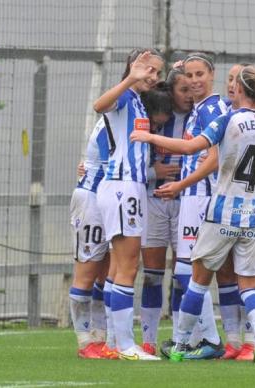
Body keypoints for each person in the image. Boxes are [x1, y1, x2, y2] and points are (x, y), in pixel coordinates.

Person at [131, 64, 255, 364]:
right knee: (250, 287)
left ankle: (179, 345)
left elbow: (191, 147)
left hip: (224, 212)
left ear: (240, 90)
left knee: (197, 280)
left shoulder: (228, 119)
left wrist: (152, 138)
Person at [93, 48, 164, 361]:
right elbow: (100, 105)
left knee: (118, 268)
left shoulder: (137, 100)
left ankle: (113, 341)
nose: (154, 78)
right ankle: (125, 346)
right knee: (128, 266)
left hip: (126, 187)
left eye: (158, 73)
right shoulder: (125, 95)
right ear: (135, 68)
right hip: (123, 188)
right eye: (150, 71)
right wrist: (130, 79)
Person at [156, 53, 227, 360]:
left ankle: (210, 339)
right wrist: (178, 67)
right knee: (192, 271)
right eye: (190, 75)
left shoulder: (212, 108)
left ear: (212, 75)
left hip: (200, 197)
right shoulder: (204, 108)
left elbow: (215, 158)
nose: (196, 80)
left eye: (201, 74)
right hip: (194, 197)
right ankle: (203, 338)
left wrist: (181, 185)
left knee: (188, 271)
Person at [138, 69, 192, 356]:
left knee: (183, 273)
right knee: (152, 274)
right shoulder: (155, 118)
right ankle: (148, 339)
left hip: (186, 203)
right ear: (171, 92)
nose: (190, 94)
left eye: (192, 88)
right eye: (183, 89)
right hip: (154, 200)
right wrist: (153, 172)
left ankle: (179, 339)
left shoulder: (201, 118)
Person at [69, 116, 111, 359]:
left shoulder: (127, 113)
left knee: (106, 273)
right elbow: (110, 165)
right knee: (86, 271)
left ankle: (99, 335)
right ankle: (84, 341)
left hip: (109, 199)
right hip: (92, 199)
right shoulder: (114, 117)